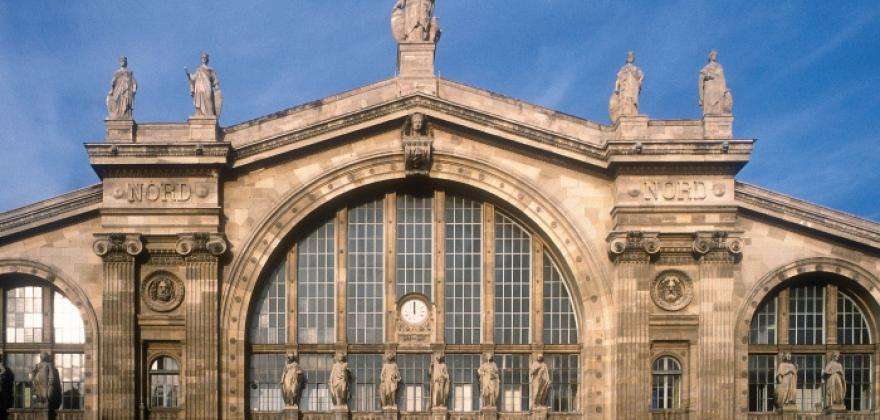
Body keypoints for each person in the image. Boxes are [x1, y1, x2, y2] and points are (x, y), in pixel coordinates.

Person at [185, 53, 222, 117]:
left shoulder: (210, 69)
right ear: (201, 59)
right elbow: (193, 78)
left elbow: (215, 79)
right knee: (199, 99)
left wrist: (216, 87)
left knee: (208, 98)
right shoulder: (198, 69)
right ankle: (199, 114)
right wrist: (188, 74)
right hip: (199, 86)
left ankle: (210, 114)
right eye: (202, 57)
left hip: (207, 86)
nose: (204, 58)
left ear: (207, 59)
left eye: (205, 57)